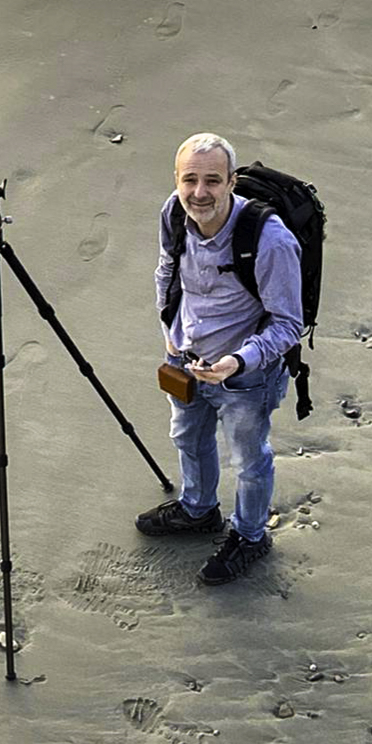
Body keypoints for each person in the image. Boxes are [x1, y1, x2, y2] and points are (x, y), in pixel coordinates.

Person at [135, 132, 304, 585]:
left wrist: (237, 362)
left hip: (245, 378)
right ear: (177, 180)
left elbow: (289, 324)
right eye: (189, 179)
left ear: (232, 182)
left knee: (249, 461)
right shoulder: (174, 211)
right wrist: (171, 337)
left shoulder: (269, 240)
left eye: (212, 180)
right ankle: (198, 510)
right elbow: (166, 270)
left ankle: (251, 536)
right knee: (187, 438)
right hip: (187, 360)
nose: (199, 193)